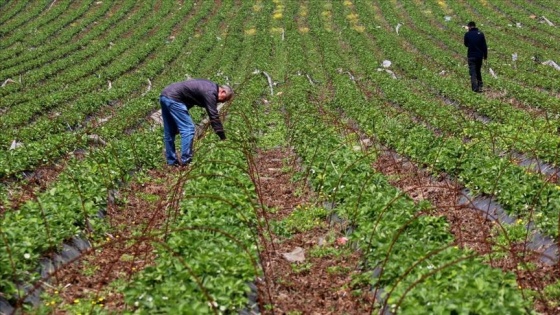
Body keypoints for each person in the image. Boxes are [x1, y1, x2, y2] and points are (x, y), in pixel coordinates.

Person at [159, 79, 233, 166]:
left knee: (170, 131)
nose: (221, 102)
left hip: (165, 95)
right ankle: (186, 161)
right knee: (188, 129)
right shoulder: (210, 92)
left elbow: (188, 100)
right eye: (224, 100)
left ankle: (171, 162)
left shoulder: (209, 86)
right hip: (174, 98)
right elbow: (213, 116)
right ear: (223, 92)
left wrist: (177, 122)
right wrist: (222, 137)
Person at [464, 21, 488, 93]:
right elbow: (484, 46)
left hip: (471, 55)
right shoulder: (481, 34)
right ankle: (480, 86)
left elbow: (466, 44)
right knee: (478, 70)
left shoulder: (467, 34)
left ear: (469, 27)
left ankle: (475, 88)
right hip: (479, 56)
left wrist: (471, 45)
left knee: (473, 72)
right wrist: (485, 56)